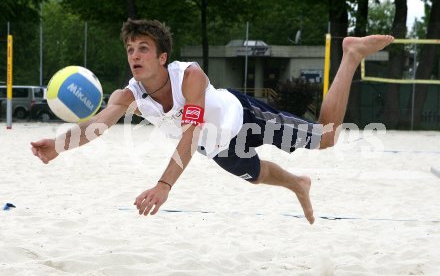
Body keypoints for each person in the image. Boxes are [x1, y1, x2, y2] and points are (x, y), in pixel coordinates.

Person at [31, 19, 394, 224]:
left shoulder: (190, 76)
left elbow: (189, 132)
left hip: (244, 118)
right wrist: (59, 146)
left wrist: (163, 185)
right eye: (130, 49)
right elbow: (99, 123)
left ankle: (350, 54)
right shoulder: (128, 95)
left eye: (143, 48)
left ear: (162, 57)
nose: (134, 55)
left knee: (327, 137)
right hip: (215, 147)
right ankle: (298, 183)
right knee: (256, 176)